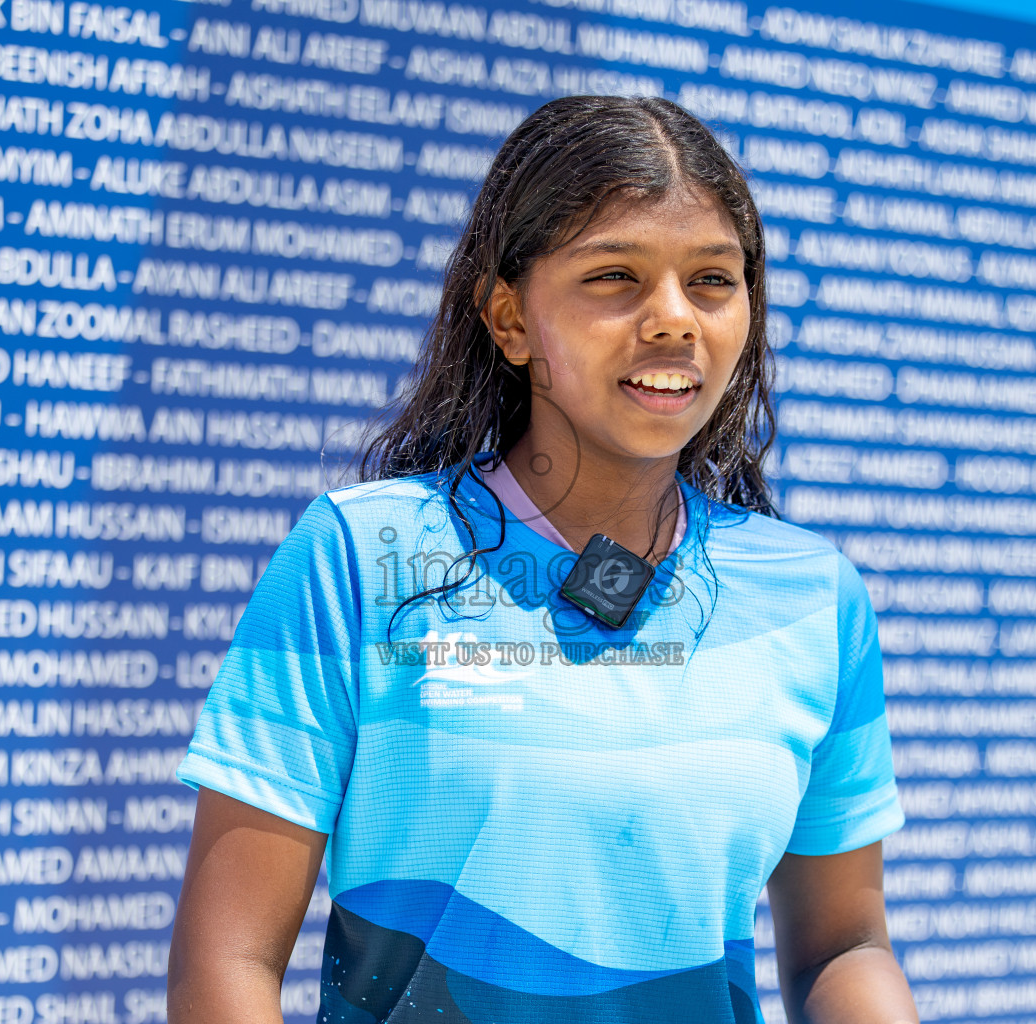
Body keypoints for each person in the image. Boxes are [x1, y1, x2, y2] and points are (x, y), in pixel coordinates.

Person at [168, 95, 919, 1024]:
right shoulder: (357, 560)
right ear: (510, 319)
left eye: (713, 281)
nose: (674, 319)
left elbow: (842, 945)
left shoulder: (814, 597)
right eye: (615, 276)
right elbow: (227, 961)